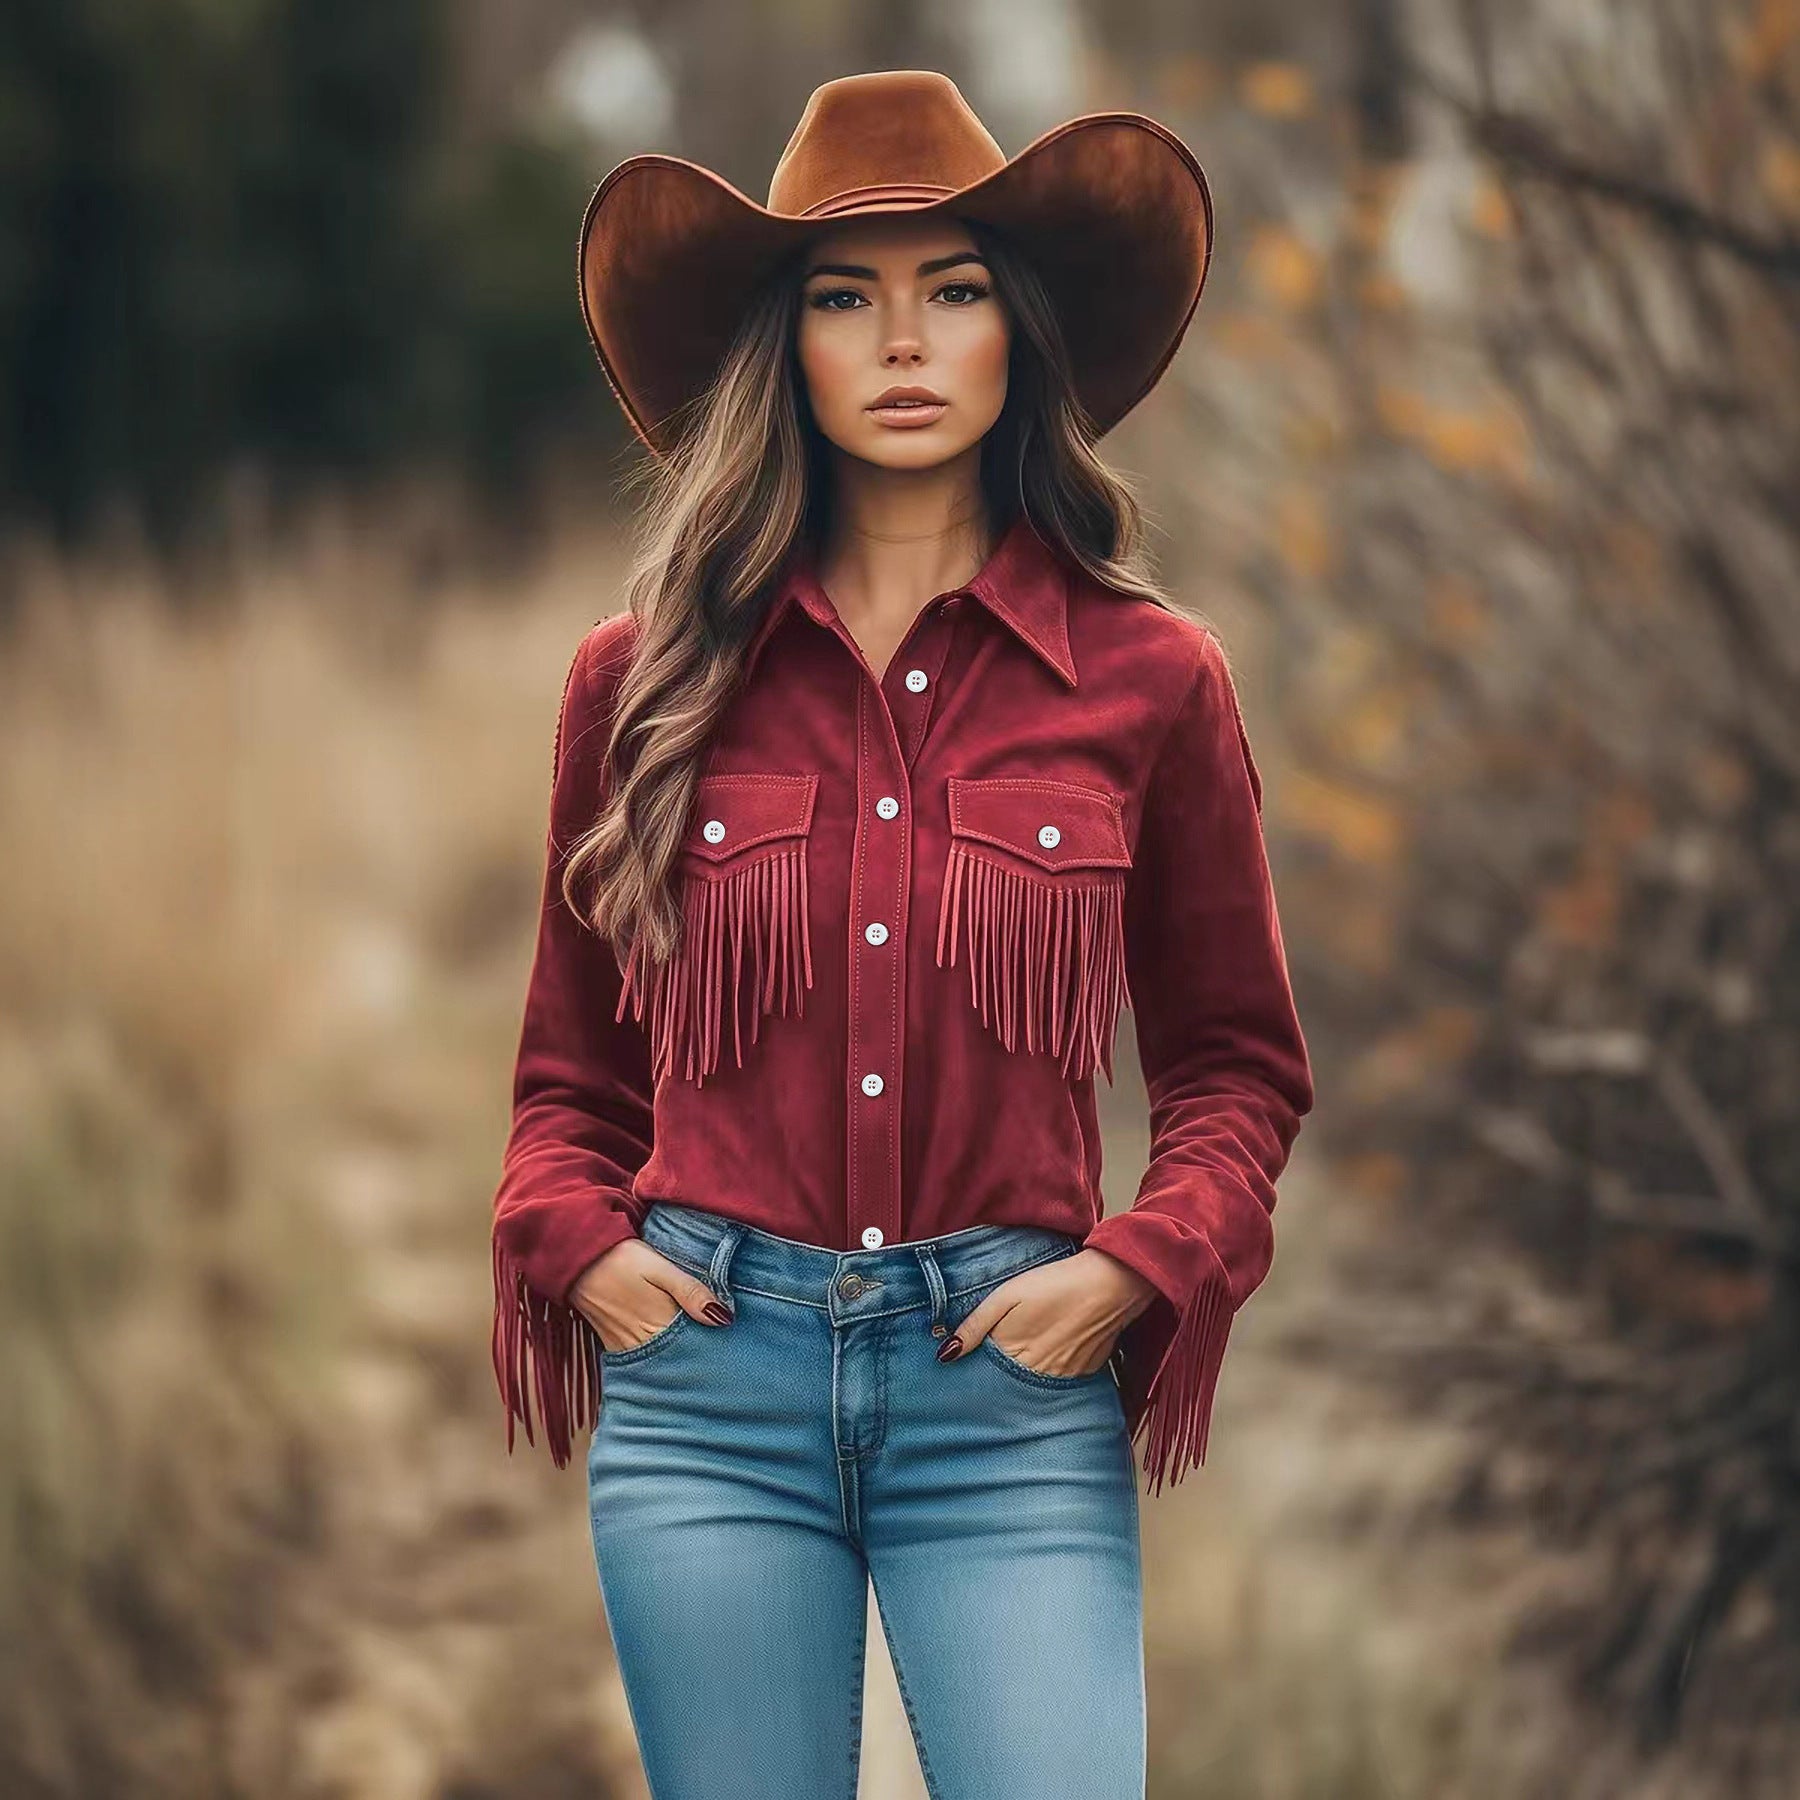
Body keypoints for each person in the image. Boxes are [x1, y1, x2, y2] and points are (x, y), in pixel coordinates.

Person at [489, 68, 1313, 1798]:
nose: (905, 342)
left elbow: (1237, 1071)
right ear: (784, 351)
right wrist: (585, 1254)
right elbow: (569, 1083)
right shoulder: (634, 684)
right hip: (709, 1391)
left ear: (1020, 334)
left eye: (952, 291)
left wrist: (1129, 1274)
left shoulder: (1154, 683)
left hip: (1005, 1397)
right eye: (844, 299)